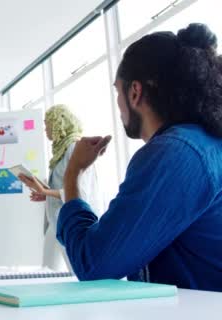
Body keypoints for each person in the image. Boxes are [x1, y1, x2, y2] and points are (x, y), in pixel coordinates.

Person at [57, 23, 222, 291]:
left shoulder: (176, 154)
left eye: (116, 91)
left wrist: (72, 174)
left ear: (135, 92)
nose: (119, 105)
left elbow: (95, 264)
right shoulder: (205, 143)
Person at [18, 105, 102, 272]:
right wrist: (46, 194)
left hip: (73, 222)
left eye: (47, 124)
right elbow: (64, 188)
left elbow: (80, 194)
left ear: (58, 124)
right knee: (48, 271)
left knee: (78, 271)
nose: (45, 129)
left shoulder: (74, 148)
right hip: (57, 221)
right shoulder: (61, 151)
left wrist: (45, 192)